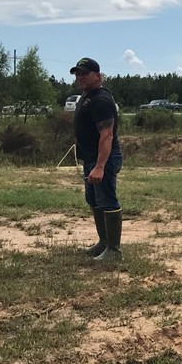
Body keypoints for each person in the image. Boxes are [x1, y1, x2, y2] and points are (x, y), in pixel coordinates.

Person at [71, 57, 124, 262]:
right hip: (91, 158)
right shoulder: (87, 96)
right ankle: (104, 242)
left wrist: (100, 166)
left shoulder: (101, 99)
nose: (80, 77)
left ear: (98, 76)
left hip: (103, 159)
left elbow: (107, 135)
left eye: (84, 73)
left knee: (107, 200)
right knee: (93, 200)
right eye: (77, 73)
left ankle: (113, 250)